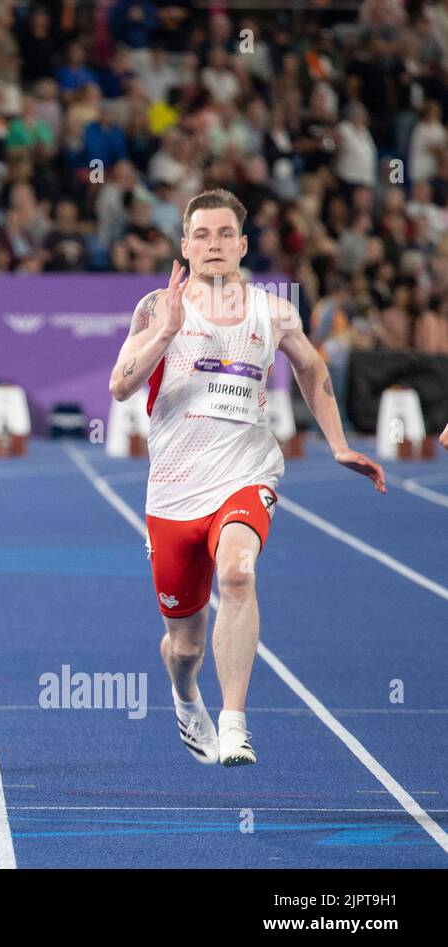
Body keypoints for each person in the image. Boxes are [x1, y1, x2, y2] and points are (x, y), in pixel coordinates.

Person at [108, 189, 385, 767]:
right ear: (184, 245)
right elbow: (120, 386)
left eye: (224, 235)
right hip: (175, 492)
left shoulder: (274, 311)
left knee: (237, 575)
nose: (213, 245)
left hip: (247, 473)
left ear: (242, 244)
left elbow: (313, 369)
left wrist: (338, 445)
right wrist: (164, 333)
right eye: (201, 236)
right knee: (183, 643)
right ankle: (186, 698)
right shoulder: (157, 306)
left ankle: (235, 723)